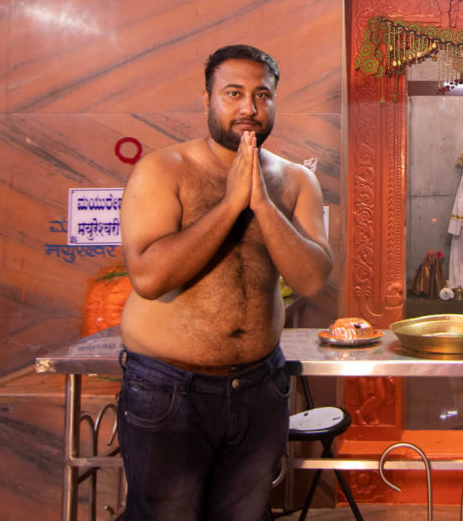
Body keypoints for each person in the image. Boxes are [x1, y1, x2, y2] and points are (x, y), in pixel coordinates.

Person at [117, 44, 332, 520]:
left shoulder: (296, 181)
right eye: (233, 93)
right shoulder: (164, 169)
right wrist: (231, 204)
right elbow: (149, 277)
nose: (248, 108)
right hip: (169, 390)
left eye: (262, 95)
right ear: (208, 98)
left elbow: (312, 278)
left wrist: (262, 203)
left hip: (258, 387)